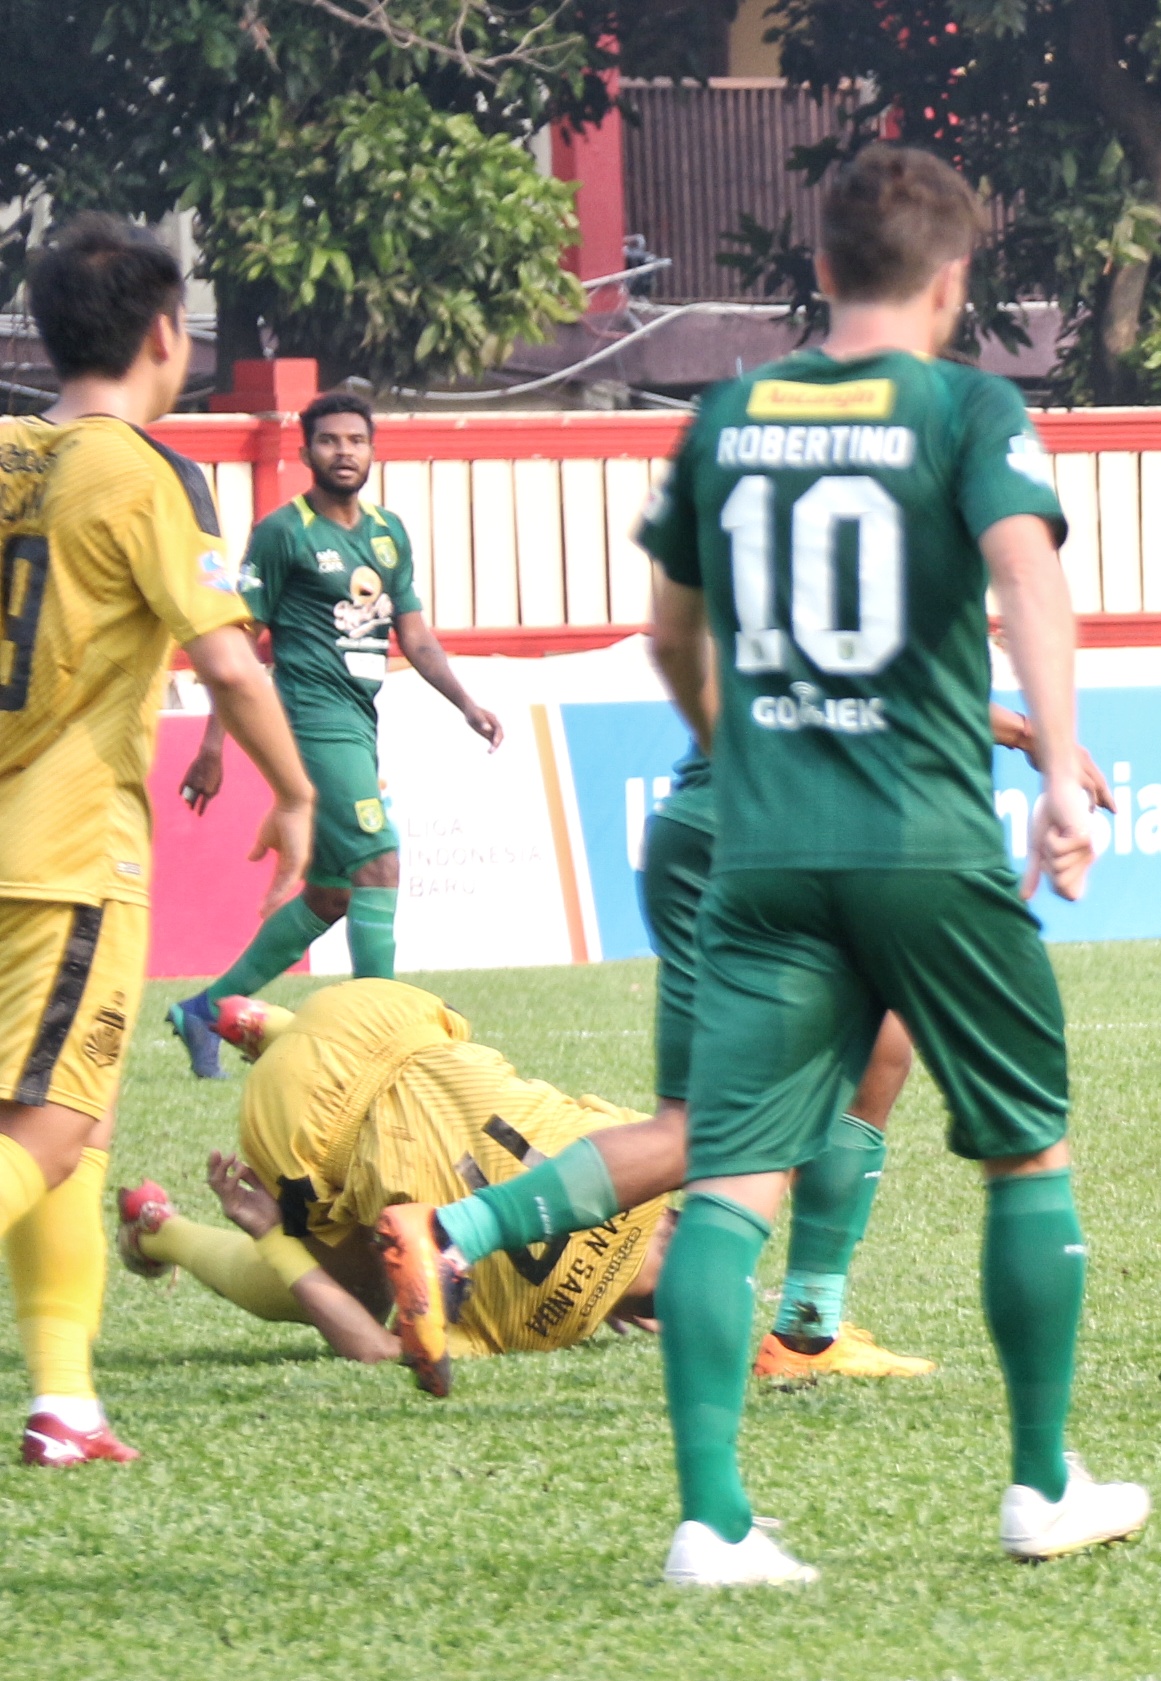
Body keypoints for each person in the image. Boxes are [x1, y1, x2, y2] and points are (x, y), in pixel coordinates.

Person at [642, 142, 1145, 1585]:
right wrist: (1056, 765)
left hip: (763, 844)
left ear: (818, 273)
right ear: (952, 282)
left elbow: (676, 634)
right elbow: (1026, 575)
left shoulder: (724, 417)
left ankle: (711, 1522)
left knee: (729, 1174)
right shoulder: (966, 406)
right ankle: (1041, 1484)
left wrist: (732, 746)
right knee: (1023, 1146)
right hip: (921, 837)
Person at [367, 701, 1110, 1396]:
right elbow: (892, 693)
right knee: (719, 1136)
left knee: (876, 1048)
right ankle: (456, 1232)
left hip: (700, 829)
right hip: (783, 842)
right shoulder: (887, 570)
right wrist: (1023, 735)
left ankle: (810, 1330)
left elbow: (696, 645)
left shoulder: (759, 562)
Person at [0, 215, 314, 1466]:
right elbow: (229, 663)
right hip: (67, 856)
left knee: (73, 1124)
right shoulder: (142, 474)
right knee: (51, 1121)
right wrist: (295, 797)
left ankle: (67, 1403)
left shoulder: (9, 451)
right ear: (167, 335)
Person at [167, 393, 502, 1079]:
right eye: (329, 441)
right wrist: (212, 745)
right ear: (305, 451)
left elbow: (414, 635)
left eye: (356, 440)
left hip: (358, 720)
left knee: (333, 895)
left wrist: (465, 702)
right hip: (307, 722)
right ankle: (384, 1041)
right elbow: (239, 641)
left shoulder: (388, 534)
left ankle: (203, 1010)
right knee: (379, 860)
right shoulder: (282, 533)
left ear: (372, 450)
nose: (344, 452)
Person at [112, 987, 675, 1367]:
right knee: (363, 1292)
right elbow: (375, 1348)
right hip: (296, 1113)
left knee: (457, 1079)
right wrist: (272, 1239)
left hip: (382, 1012)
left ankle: (269, 1025)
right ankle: (158, 1229)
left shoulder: (633, 1144)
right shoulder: (536, 1327)